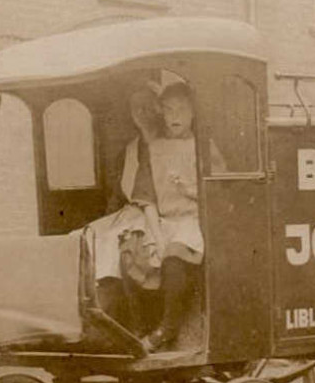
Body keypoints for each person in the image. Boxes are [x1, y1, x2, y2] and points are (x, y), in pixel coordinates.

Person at [86, 81, 221, 353]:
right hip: (164, 221)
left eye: (182, 110)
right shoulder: (155, 149)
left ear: (193, 113)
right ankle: (136, 328)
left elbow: (219, 192)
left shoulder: (204, 148)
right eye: (169, 111)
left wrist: (190, 190)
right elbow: (146, 199)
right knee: (130, 250)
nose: (175, 117)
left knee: (173, 255)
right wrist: (156, 238)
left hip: (196, 220)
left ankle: (167, 328)